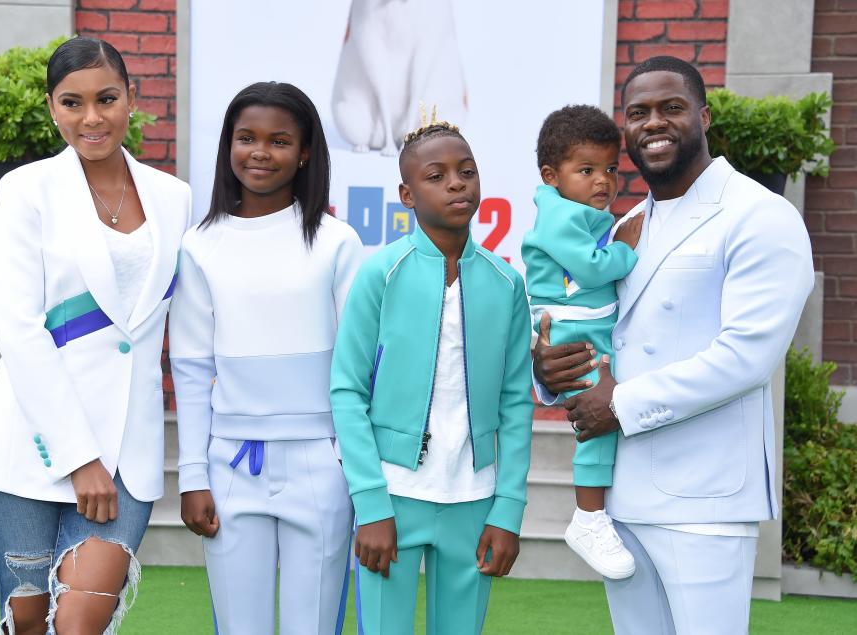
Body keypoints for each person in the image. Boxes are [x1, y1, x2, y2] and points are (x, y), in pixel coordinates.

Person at [533, 56, 814, 634]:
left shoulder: (760, 216)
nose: (653, 123)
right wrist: (551, 369)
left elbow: (747, 357)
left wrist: (620, 404)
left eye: (672, 108)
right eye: (638, 113)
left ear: (704, 116)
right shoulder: (620, 224)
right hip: (621, 496)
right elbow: (590, 325)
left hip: (704, 501)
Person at [0, 36, 192, 634]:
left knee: (82, 622)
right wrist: (79, 458)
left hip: (128, 454)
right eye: (72, 103)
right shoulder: (25, 192)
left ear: (130, 99)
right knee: (31, 623)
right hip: (24, 448)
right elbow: (21, 331)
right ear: (51, 107)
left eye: (107, 98)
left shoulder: (173, 197)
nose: (92, 118)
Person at [168, 81, 364, 635]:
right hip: (230, 465)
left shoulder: (336, 241)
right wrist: (192, 476)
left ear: (304, 152)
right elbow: (190, 367)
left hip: (321, 462)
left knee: (315, 625)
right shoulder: (200, 245)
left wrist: (354, 468)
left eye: (279, 140)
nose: (260, 152)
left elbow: (357, 366)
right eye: (246, 137)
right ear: (228, 145)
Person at [330, 114, 534, 634]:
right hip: (393, 496)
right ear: (407, 193)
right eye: (436, 175)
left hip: (474, 498)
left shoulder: (506, 283)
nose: (456, 184)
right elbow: (347, 390)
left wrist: (507, 509)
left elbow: (516, 402)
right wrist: (371, 504)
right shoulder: (381, 273)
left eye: (466, 171)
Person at [521, 104, 643, 580]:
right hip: (571, 334)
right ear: (552, 175)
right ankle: (588, 519)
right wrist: (626, 249)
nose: (603, 181)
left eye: (611, 169)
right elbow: (592, 268)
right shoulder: (559, 218)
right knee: (597, 418)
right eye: (587, 170)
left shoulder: (579, 212)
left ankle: (596, 511)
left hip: (589, 326)